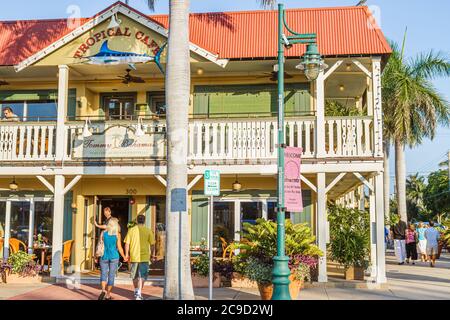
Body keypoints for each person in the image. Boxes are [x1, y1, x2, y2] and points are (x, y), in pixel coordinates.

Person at [124, 214, 156, 300]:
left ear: (137, 221)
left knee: (134, 276)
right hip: (144, 257)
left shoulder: (131, 230)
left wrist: (126, 254)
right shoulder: (148, 231)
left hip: (134, 256)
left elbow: (127, 243)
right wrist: (152, 255)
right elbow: (152, 245)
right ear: (144, 221)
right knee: (143, 276)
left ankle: (136, 291)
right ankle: (139, 292)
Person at [98, 218, 127, 300]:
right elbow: (120, 248)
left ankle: (103, 290)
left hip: (104, 256)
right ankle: (108, 294)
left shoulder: (103, 233)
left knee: (103, 274)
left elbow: (100, 245)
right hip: (114, 256)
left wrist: (96, 256)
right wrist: (124, 256)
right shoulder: (117, 234)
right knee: (111, 275)